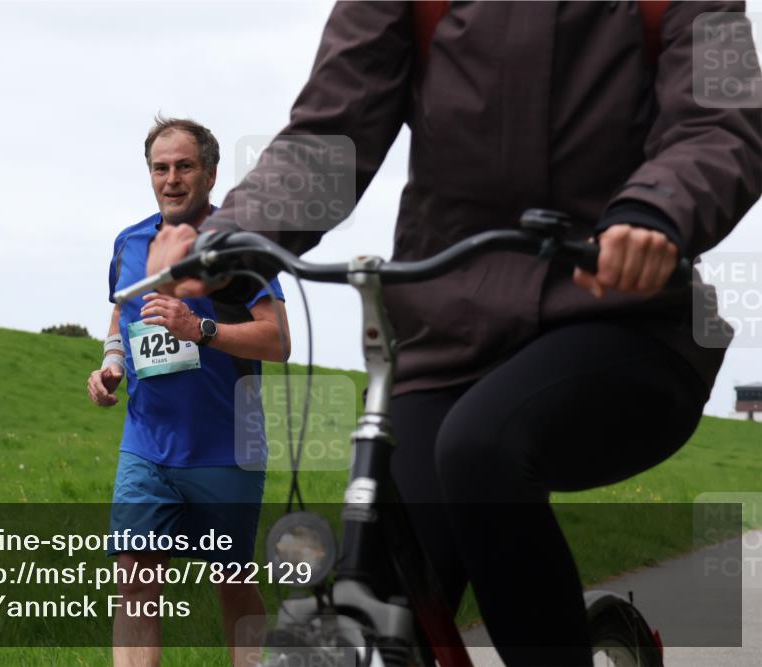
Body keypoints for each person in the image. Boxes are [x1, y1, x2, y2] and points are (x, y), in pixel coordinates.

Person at [142, 2, 762, 666]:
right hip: (447, 342)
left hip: (624, 322)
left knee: (479, 447)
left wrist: (657, 210)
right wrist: (231, 241)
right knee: (380, 581)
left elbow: (721, 122)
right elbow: (330, 134)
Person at [87, 116, 289, 667]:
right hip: (147, 445)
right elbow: (123, 313)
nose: (171, 178)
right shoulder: (130, 242)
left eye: (184, 166)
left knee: (232, 582)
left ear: (210, 173)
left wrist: (198, 327)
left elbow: (277, 341)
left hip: (226, 449)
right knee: (133, 583)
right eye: (160, 167)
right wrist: (110, 364)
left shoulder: (241, 247)